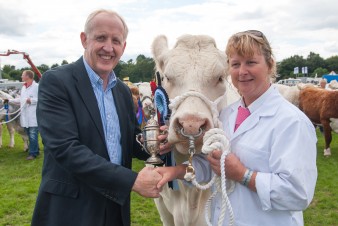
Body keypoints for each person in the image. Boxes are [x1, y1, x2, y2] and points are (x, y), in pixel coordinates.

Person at [156, 30, 317, 226]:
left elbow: (297, 194)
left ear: (270, 65)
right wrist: (173, 172)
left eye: (251, 62)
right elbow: (212, 165)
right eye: (235, 64)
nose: (242, 71)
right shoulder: (226, 115)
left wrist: (243, 174)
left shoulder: (292, 122)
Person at [31, 9, 162, 226]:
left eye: (116, 41)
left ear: (124, 47)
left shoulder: (121, 90)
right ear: (84, 39)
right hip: (71, 210)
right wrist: (133, 180)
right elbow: (66, 148)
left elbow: (128, 139)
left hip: (115, 208)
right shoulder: (56, 82)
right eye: (101, 38)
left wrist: (156, 143)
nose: (108, 48)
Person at [8, 70, 39, 160]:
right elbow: (21, 100)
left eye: (22, 75)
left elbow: (41, 99)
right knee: (29, 135)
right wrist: (8, 100)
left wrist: (31, 101)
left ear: (28, 76)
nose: (21, 77)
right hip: (25, 116)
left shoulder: (37, 87)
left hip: (33, 116)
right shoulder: (24, 87)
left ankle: (33, 153)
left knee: (33, 134)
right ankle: (35, 149)